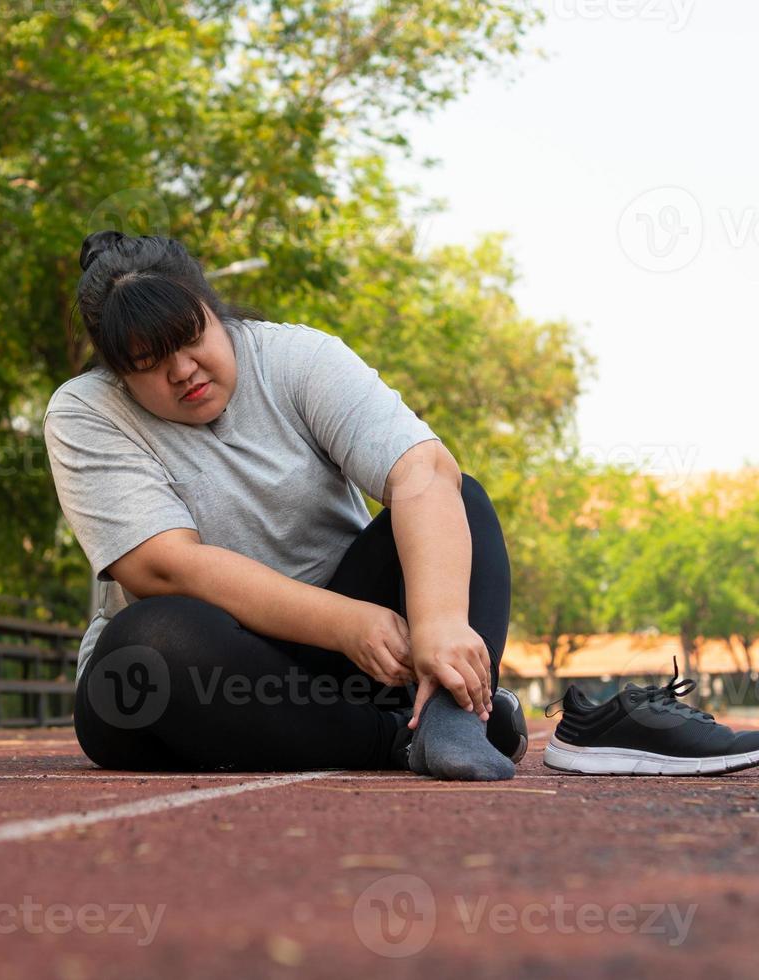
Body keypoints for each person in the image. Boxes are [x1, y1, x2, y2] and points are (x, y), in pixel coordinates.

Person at [42, 230, 525, 779]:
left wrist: (438, 623)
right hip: (211, 678)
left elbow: (421, 471)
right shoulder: (84, 413)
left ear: (214, 311)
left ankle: (453, 716)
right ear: (118, 376)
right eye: (148, 362)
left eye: (191, 338)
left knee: (459, 494)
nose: (182, 371)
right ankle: (399, 738)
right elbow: (166, 567)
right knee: (149, 644)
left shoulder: (297, 356)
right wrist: (347, 623)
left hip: (362, 663)